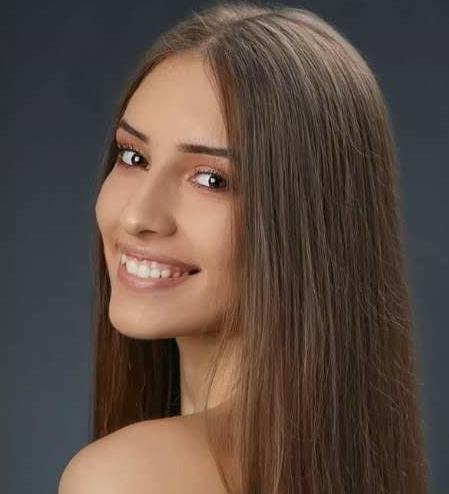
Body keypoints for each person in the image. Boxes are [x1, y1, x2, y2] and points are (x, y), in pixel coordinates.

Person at [58, 2, 429, 493]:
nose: (137, 217)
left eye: (211, 179)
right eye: (133, 156)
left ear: (306, 222)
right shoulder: (353, 462)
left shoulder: (127, 476)